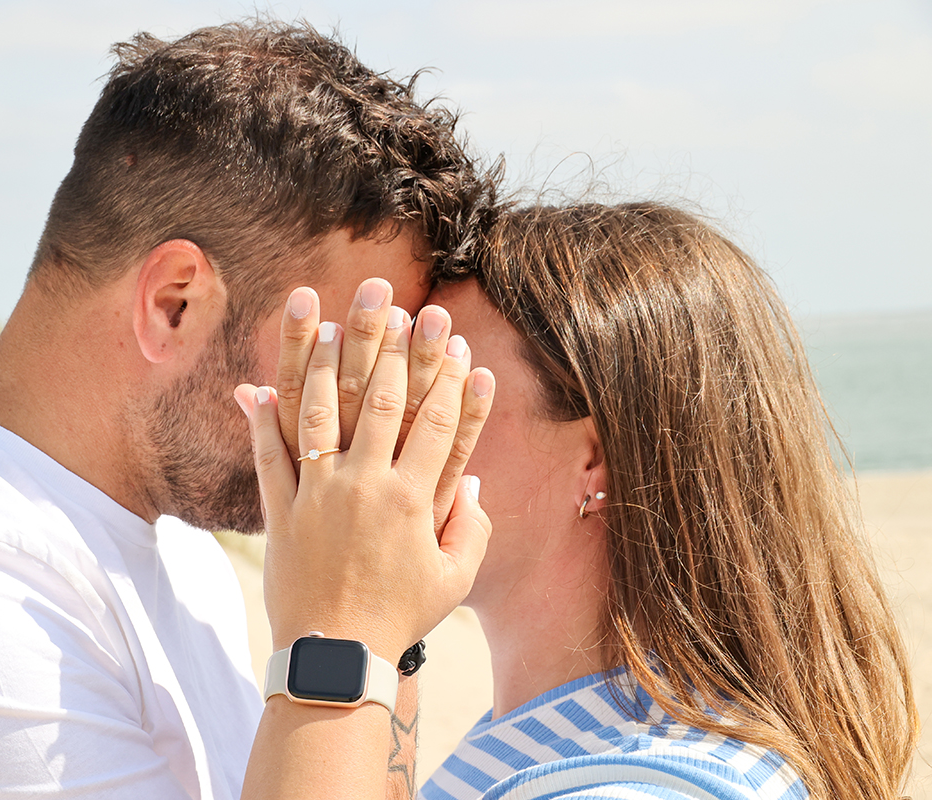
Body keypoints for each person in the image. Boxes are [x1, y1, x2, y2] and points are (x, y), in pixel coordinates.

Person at [0, 20, 492, 800]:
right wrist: (346, 628)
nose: (359, 414)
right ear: (174, 304)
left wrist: (384, 635)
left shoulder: (174, 548)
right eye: (340, 356)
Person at [236, 202, 917, 800]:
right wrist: (380, 632)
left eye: (439, 385)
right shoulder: (595, 739)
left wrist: (330, 630)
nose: (388, 419)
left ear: (595, 460)